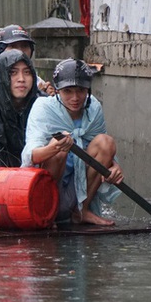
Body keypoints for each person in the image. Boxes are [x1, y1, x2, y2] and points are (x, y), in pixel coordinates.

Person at [21, 59, 123, 226]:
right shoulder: (43, 108)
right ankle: (48, 213)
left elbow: (104, 150)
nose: (75, 98)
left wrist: (114, 167)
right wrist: (54, 148)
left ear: (88, 90)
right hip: (48, 191)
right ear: (57, 90)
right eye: (68, 91)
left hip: (79, 191)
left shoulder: (93, 108)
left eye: (81, 91)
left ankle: (82, 210)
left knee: (106, 142)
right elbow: (30, 156)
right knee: (60, 145)